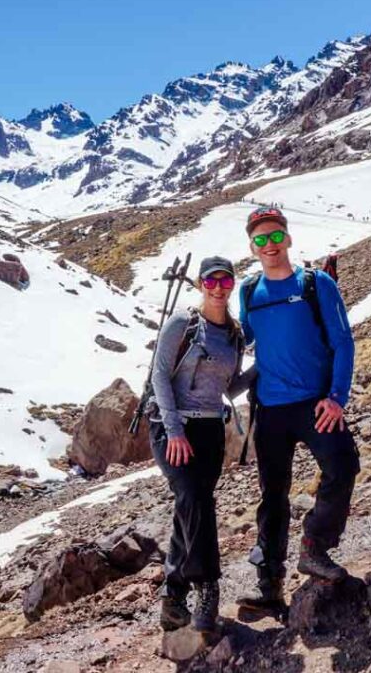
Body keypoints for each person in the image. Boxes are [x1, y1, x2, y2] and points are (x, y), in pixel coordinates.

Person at [236, 207, 360, 613]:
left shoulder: (316, 284)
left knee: (342, 466)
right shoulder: (249, 291)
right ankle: (269, 585)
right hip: (270, 411)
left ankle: (315, 546)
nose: (269, 246)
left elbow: (343, 342)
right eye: (260, 240)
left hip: (315, 403)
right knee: (273, 497)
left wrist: (337, 397)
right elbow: (249, 340)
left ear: (288, 239)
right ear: (252, 247)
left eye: (275, 237)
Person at [149, 256, 255, 632]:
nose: (219, 287)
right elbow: (160, 375)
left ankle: (172, 599)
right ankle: (207, 586)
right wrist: (174, 430)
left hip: (211, 430)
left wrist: (262, 367)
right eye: (211, 281)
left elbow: (228, 389)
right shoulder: (183, 323)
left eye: (225, 281)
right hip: (172, 428)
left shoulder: (235, 334)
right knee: (196, 500)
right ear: (200, 284)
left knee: (189, 507)